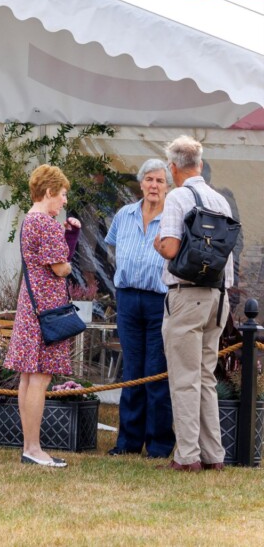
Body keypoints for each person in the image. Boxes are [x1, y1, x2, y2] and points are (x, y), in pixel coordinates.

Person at [154, 136, 233, 472]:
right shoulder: (220, 200)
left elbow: (171, 249)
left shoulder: (177, 197)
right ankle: (213, 454)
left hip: (187, 295)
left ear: (173, 169)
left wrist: (158, 243)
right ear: (199, 165)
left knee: (184, 377)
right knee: (205, 376)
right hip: (219, 297)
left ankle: (187, 457)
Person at [3, 164, 81, 468]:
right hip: (46, 309)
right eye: (62, 195)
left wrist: (67, 239)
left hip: (30, 304)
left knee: (27, 376)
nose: (64, 201)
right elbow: (61, 267)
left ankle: (29, 447)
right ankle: (34, 449)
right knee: (40, 377)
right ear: (49, 191)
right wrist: (71, 242)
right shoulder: (47, 224)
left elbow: (53, 258)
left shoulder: (29, 219)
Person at [105, 158, 174, 458]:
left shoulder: (174, 218)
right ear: (141, 182)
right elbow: (111, 248)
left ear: (168, 186)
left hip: (160, 300)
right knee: (132, 371)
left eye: (159, 180)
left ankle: (159, 445)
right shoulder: (124, 214)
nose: (154, 186)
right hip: (128, 299)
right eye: (149, 179)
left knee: (156, 371)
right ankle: (128, 443)